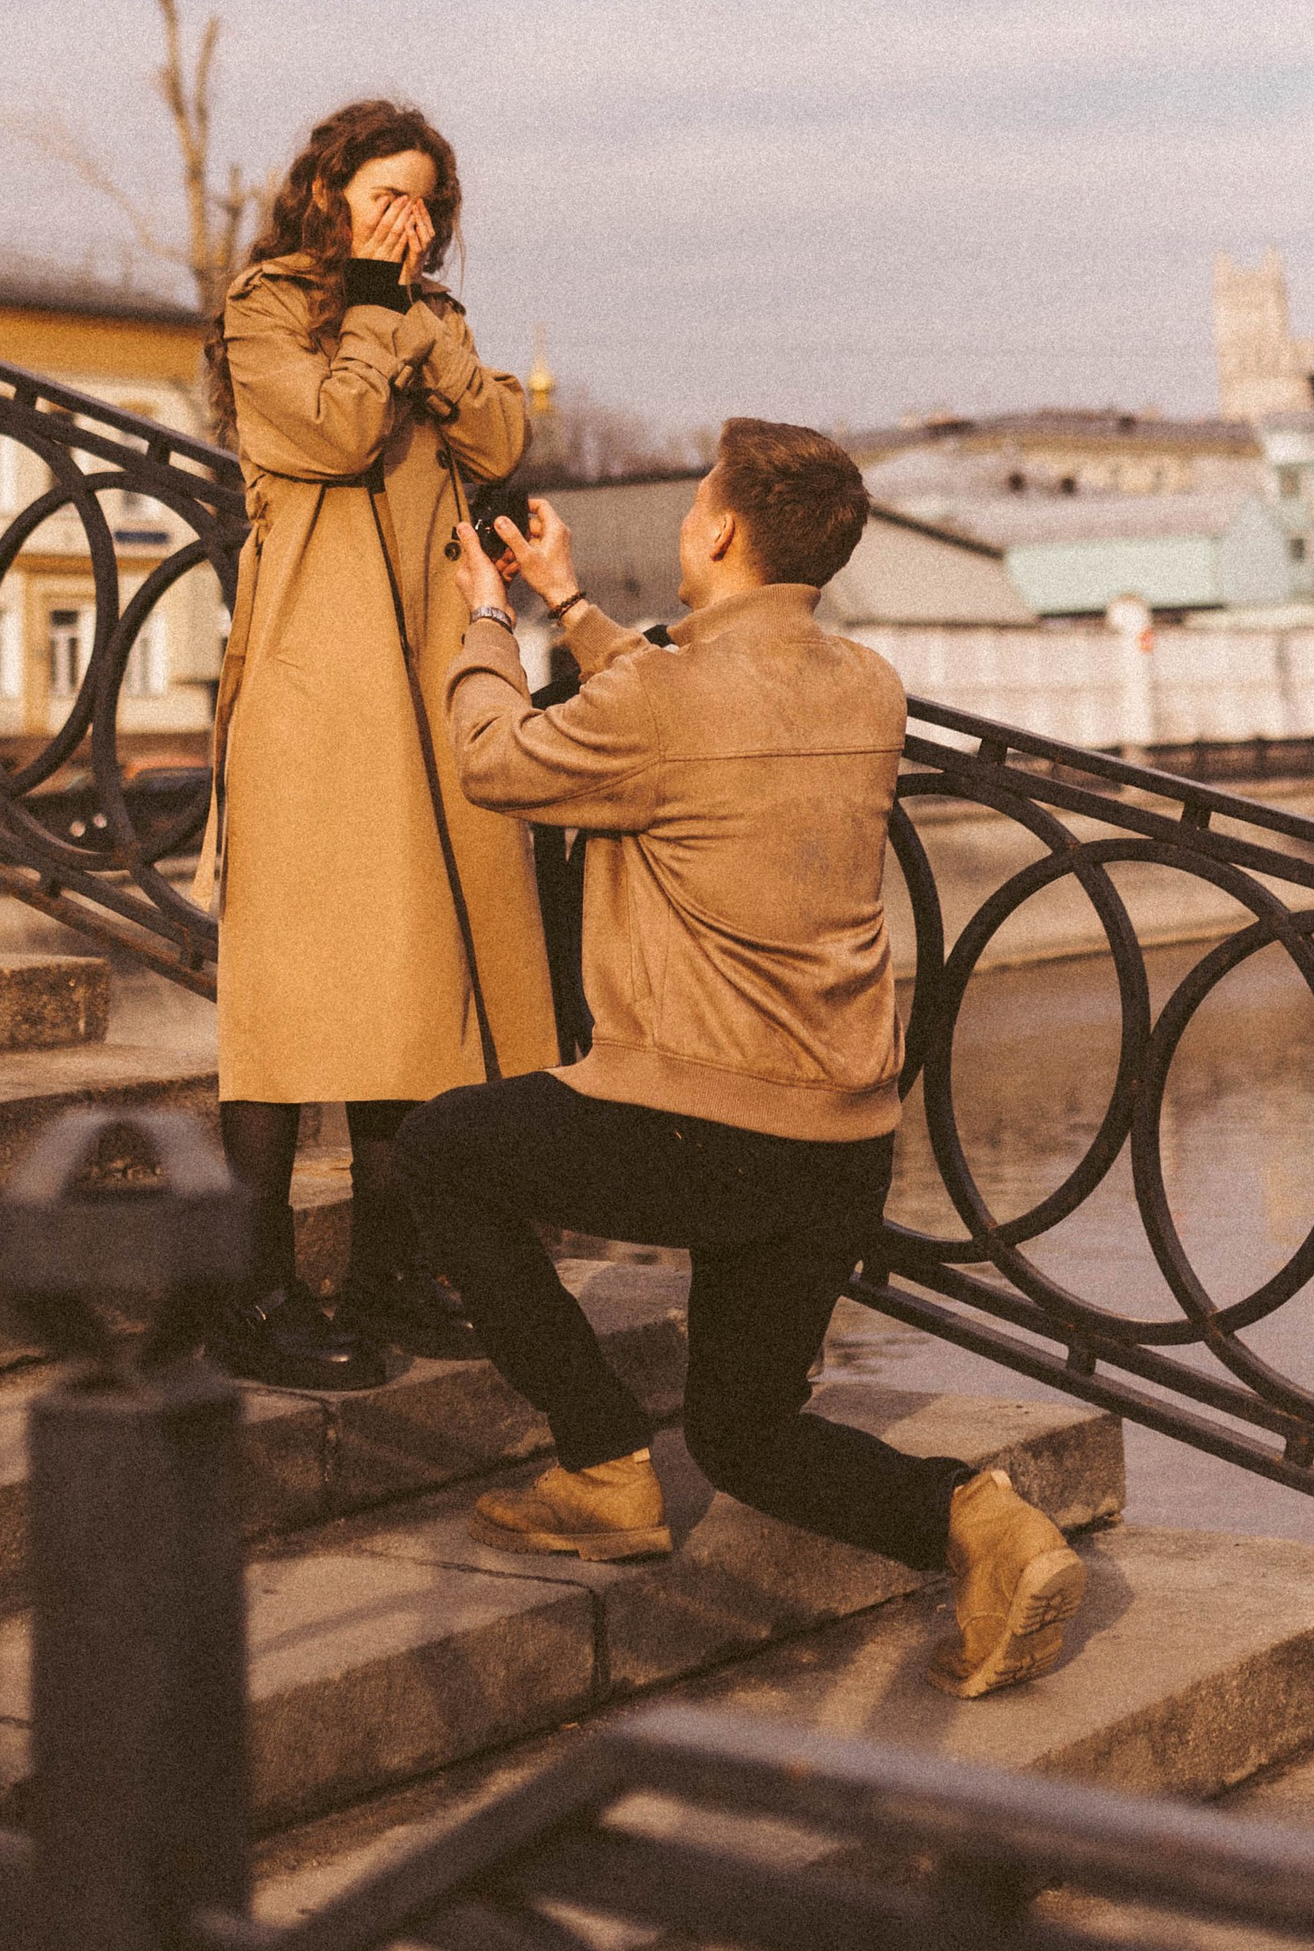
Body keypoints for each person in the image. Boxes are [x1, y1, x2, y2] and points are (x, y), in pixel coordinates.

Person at [395, 419, 1087, 1699]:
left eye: (693, 504)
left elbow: (498, 758)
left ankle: (602, 1459)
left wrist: (488, 621)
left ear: (716, 528)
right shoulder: (865, 684)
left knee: (443, 1147)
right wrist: (570, 600)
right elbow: (686, 712)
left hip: (692, 1130)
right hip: (842, 1141)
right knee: (745, 1433)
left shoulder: (659, 702)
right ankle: (990, 1527)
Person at [194, 97, 560, 1389]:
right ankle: (252, 1290)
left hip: (422, 675)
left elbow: (506, 437)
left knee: (415, 979)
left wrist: (416, 327)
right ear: (328, 193)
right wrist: (365, 307)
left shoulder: (434, 321)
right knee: (292, 987)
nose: (407, 222)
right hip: (312, 682)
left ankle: (393, 1271)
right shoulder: (266, 307)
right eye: (382, 194)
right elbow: (334, 433)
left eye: (425, 203)